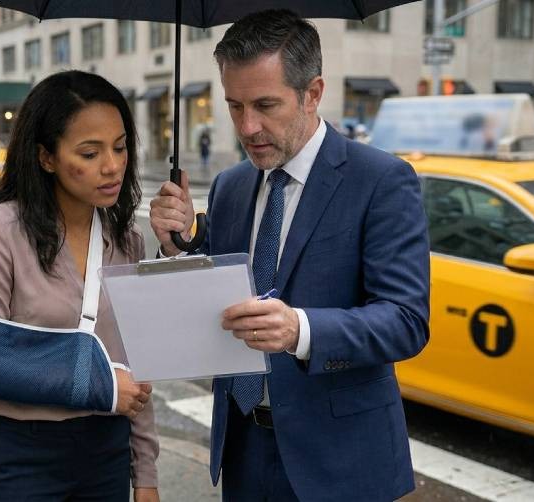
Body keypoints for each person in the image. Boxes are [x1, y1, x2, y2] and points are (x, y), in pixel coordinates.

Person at [149, 10, 430, 501]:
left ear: (313, 93)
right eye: (234, 106)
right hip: (242, 446)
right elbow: (214, 287)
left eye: (265, 105)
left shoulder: (381, 180)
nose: (248, 126)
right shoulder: (230, 186)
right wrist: (178, 242)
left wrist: (301, 330)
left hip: (340, 461)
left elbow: (406, 320)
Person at [0, 70, 159, 502]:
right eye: (89, 152)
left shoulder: (126, 240)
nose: (112, 165)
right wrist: (99, 383)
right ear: (46, 157)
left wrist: (145, 475)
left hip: (106, 450)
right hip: (18, 453)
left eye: (120, 147)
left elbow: (136, 368)